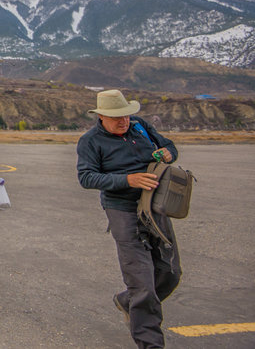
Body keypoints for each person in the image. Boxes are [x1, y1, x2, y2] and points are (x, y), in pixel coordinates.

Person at [77, 90, 181, 349]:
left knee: (170, 272)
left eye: (125, 116)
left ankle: (128, 301)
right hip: (122, 209)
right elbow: (87, 177)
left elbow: (169, 146)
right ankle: (150, 343)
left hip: (155, 205)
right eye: (116, 118)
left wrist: (168, 153)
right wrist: (127, 179)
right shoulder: (90, 141)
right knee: (142, 283)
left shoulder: (140, 127)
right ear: (101, 116)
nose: (123, 121)